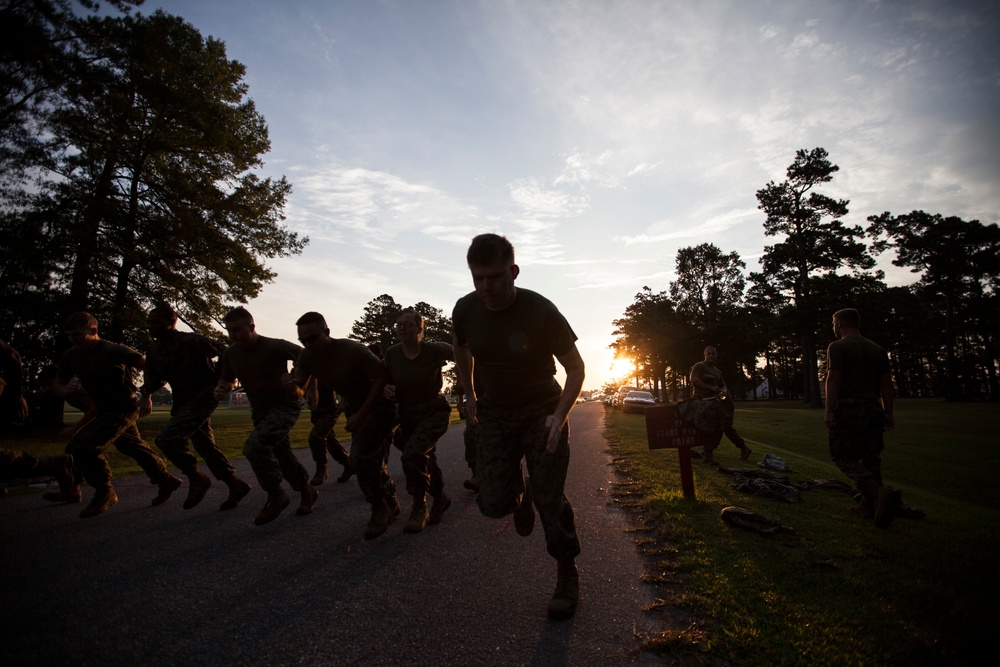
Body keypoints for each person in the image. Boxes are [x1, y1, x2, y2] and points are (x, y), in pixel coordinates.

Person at [452, 233, 585, 621]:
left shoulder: (541, 311)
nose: (485, 287)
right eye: (477, 278)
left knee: (550, 501)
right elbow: (459, 347)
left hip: (542, 410)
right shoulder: (465, 309)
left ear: (513, 271)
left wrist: (559, 416)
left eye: (494, 277)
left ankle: (566, 573)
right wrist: (471, 392)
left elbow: (576, 368)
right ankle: (521, 492)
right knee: (492, 504)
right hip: (495, 412)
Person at [50, 312, 182, 518]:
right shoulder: (70, 356)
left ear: (93, 331)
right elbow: (57, 384)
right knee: (131, 446)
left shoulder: (112, 349)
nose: (73, 339)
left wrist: (146, 394)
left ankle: (105, 491)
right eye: (69, 336)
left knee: (84, 445)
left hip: (124, 407)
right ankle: (165, 479)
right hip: (105, 410)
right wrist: (65, 390)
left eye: (78, 334)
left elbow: (149, 366)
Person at [285, 312, 400, 541]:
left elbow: (381, 377)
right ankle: (391, 501)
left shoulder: (352, 350)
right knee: (370, 459)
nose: (309, 344)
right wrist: (291, 386)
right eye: (303, 341)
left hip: (380, 406)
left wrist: (360, 414)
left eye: (313, 338)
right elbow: (299, 388)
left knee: (359, 457)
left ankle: (380, 509)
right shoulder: (307, 357)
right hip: (356, 410)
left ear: (327, 332)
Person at [139, 304, 252, 511]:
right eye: (149, 322)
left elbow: (226, 353)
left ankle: (196, 477)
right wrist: (144, 392)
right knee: (204, 446)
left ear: (171, 323)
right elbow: (156, 379)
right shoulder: (154, 349)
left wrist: (223, 381)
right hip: (183, 402)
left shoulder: (191, 340)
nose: (151, 326)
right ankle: (235, 484)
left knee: (166, 438)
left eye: (156, 322)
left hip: (204, 396)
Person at [213, 307, 317, 525]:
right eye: (229, 331)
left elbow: (309, 357)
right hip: (260, 411)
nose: (233, 336)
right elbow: (227, 379)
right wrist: (222, 387)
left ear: (252, 327)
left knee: (254, 447)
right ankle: (307, 491)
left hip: (286, 405)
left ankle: (276, 495)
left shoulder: (274, 346)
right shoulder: (230, 354)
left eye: (238, 330)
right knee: (282, 454)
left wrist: (309, 388)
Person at [825, 307, 900, 529]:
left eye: (833, 323)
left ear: (840, 323)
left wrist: (829, 409)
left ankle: (877, 493)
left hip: (849, 408)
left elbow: (834, 378)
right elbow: (887, 384)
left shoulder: (837, 347)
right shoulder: (877, 349)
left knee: (841, 455)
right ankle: (870, 508)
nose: (833, 328)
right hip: (873, 409)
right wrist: (888, 413)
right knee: (871, 458)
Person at [383, 308, 453, 533]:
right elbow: (383, 377)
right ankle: (440, 498)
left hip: (434, 412)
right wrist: (385, 386)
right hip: (407, 416)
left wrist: (468, 387)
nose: (402, 328)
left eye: (407, 324)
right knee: (424, 457)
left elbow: (464, 354)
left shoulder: (433, 350)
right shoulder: (393, 354)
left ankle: (419, 507)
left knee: (413, 454)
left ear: (420, 329)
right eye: (399, 324)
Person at [688, 346, 751, 463]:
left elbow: (723, 387)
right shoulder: (699, 366)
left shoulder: (717, 372)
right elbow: (694, 380)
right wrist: (711, 387)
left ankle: (742, 448)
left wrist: (726, 397)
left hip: (715, 404)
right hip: (702, 403)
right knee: (706, 428)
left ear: (716, 355)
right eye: (708, 354)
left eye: (713, 354)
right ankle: (705, 453)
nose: (711, 356)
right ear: (704, 355)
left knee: (722, 427)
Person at [306, 383, 354, 486]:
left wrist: (343, 400)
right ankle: (348, 464)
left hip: (330, 409)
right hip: (316, 411)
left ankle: (321, 468)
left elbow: (342, 381)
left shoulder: (323, 368)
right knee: (330, 440)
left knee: (316, 437)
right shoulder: (302, 370)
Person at [452, 376, 480, 491]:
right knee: (470, 434)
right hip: (473, 398)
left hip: (494, 395)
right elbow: (461, 374)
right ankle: (477, 475)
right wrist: (461, 398)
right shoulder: (466, 358)